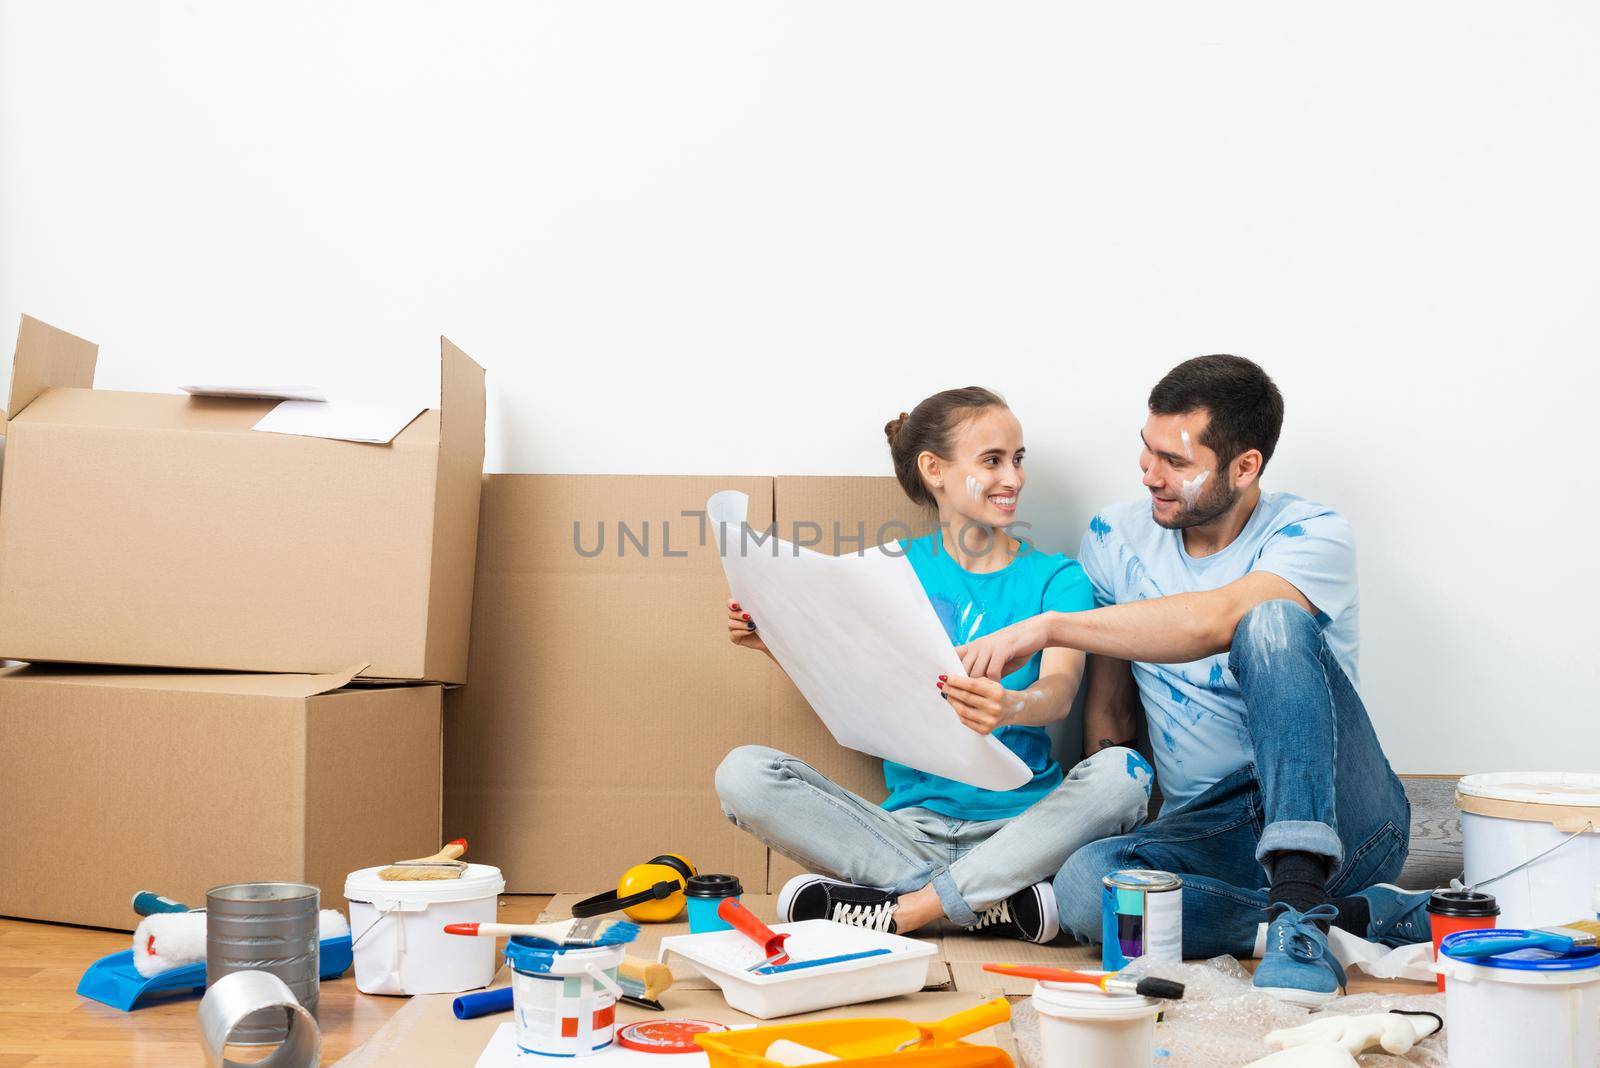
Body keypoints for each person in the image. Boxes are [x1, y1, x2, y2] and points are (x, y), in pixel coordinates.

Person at [957, 356, 1430, 1004]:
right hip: (1216, 826)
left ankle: (1299, 900)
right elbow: (1114, 716)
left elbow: (1218, 618)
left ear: (1245, 467)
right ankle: (1347, 921)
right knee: (1086, 888)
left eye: (1176, 463)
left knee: (1270, 622)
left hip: (1343, 812)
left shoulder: (1312, 533)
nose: (1150, 475)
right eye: (1147, 452)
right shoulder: (1116, 538)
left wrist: (1050, 627)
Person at [714, 386, 1151, 943]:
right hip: (905, 832)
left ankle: (909, 908)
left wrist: (1011, 707)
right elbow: (855, 685)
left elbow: (1059, 692)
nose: (1013, 479)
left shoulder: (1057, 578)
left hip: (1026, 828)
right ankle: (988, 900)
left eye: (1018, 460)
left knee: (1125, 775)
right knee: (743, 773)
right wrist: (776, 642)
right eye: (992, 461)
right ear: (934, 470)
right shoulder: (883, 572)